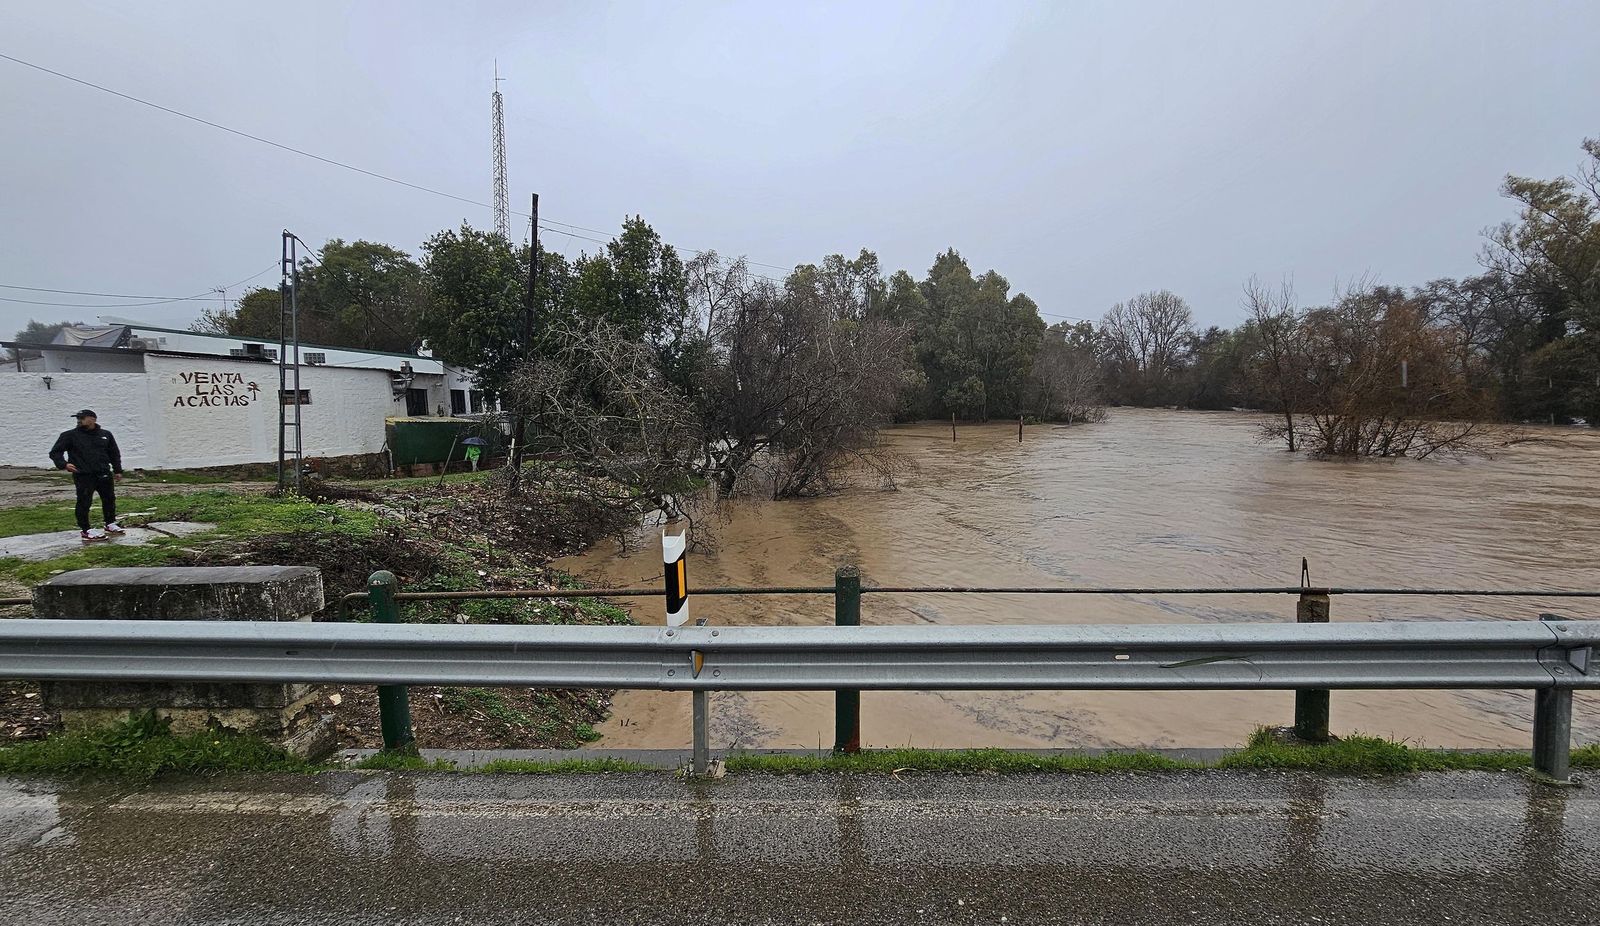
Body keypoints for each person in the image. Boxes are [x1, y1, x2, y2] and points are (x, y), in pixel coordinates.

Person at [48, 409, 124, 542]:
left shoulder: (106, 434)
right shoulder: (69, 435)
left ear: (93, 419)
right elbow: (55, 452)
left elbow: (114, 453)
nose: (79, 420)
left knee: (109, 499)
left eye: (82, 418)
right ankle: (86, 529)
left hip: (104, 472)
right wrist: (64, 464)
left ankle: (110, 523)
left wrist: (118, 470)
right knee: (84, 501)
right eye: (78, 418)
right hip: (83, 474)